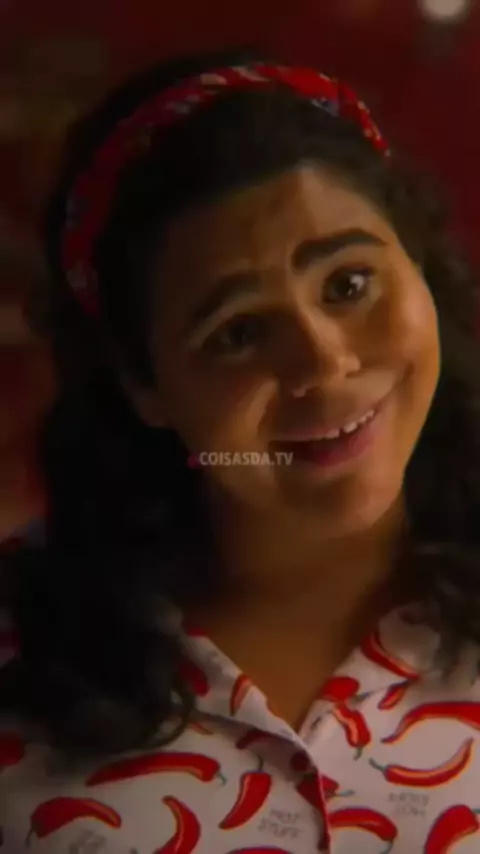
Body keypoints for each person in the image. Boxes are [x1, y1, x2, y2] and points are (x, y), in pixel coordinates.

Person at [1, 48, 480, 854]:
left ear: (420, 266)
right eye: (239, 332)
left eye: (349, 284)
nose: (325, 363)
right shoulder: (20, 651)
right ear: (142, 383)